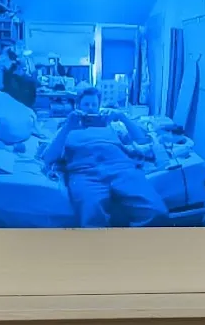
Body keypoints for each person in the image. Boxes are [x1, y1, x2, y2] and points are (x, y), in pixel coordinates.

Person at [42, 86, 167, 227]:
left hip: (122, 168)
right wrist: (67, 127)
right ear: (77, 106)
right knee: (92, 220)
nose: (90, 108)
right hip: (85, 172)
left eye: (94, 105)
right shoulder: (67, 127)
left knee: (157, 212)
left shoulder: (111, 126)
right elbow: (49, 157)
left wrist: (122, 117)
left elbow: (141, 140)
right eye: (86, 104)